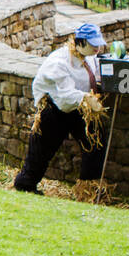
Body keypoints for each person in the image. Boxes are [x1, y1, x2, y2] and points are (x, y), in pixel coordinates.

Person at [14, 23, 108, 194]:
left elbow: (96, 74)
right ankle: (25, 185)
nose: (98, 47)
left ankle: (88, 189)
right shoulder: (59, 63)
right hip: (54, 107)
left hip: (79, 108)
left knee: (96, 142)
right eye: (93, 44)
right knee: (41, 149)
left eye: (98, 43)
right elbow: (65, 98)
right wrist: (86, 98)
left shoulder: (90, 56)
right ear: (80, 43)